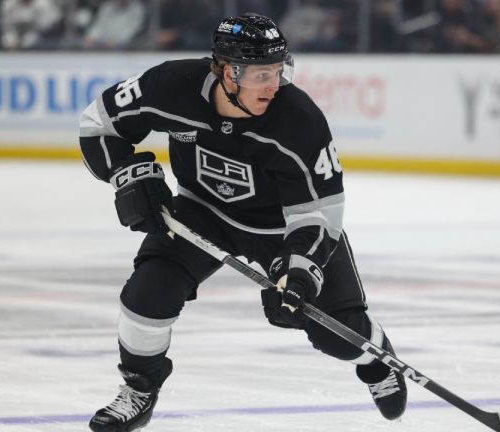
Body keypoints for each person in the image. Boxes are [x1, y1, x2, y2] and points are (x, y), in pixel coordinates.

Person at [78, 14, 407, 432]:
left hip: (283, 231)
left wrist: (299, 274)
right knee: (145, 297)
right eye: (261, 74)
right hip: (202, 212)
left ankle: (377, 362)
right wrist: (127, 174)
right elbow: (98, 124)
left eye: (279, 70)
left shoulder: (299, 120)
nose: (274, 84)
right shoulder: (171, 86)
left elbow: (320, 213)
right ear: (227, 72)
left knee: (336, 334)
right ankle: (140, 390)